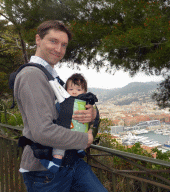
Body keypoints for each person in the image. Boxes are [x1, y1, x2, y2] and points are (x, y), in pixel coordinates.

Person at [13, 20, 107, 191]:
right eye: (53, 41)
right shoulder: (32, 76)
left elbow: (70, 108)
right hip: (45, 170)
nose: (59, 49)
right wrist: (86, 139)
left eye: (63, 45)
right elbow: (43, 131)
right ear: (38, 40)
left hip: (71, 162)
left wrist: (93, 115)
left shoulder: (51, 76)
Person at [40, 73, 98, 173]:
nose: (74, 92)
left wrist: (94, 114)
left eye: (78, 90)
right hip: (64, 133)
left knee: (82, 133)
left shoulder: (86, 105)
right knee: (59, 144)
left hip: (77, 134)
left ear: (85, 91)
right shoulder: (61, 103)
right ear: (65, 90)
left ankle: (79, 148)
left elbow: (94, 118)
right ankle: (56, 162)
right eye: (71, 89)